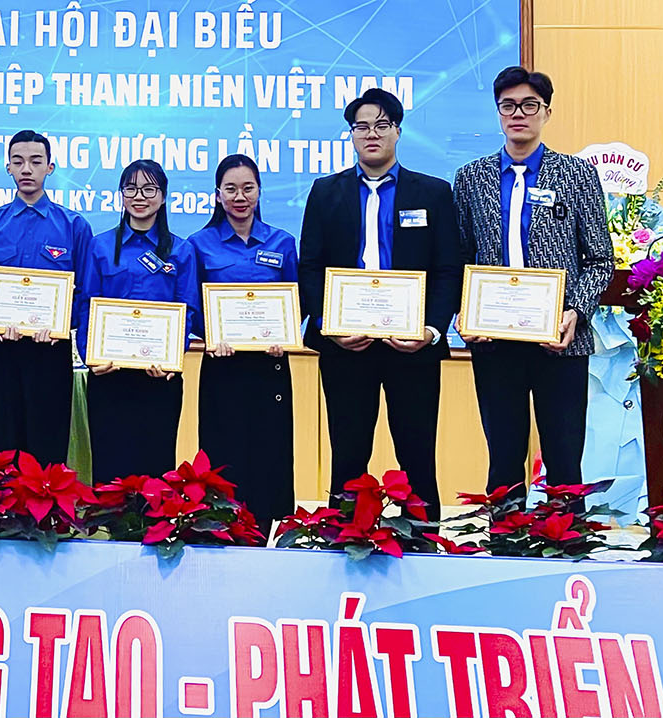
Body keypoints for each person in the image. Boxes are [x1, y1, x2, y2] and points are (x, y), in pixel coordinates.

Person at [299, 88, 461, 521]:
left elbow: (448, 268)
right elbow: (310, 266)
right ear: (352, 135)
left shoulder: (433, 193)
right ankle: (344, 537)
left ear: (398, 131)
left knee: (417, 452)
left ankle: (423, 540)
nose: (371, 134)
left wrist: (431, 330)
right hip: (345, 346)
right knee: (348, 453)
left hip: (412, 347)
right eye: (362, 127)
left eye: (381, 125)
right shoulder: (325, 192)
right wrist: (328, 324)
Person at [453, 67, 613, 497]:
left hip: (559, 339)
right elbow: (460, 257)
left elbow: (600, 259)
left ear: (546, 112)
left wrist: (576, 312)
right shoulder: (471, 178)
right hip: (494, 341)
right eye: (508, 106)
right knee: (503, 458)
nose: (518, 114)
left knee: (564, 458)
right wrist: (464, 311)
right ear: (498, 113)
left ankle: (566, 535)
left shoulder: (577, 174)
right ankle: (506, 535)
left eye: (529, 105)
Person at [0, 130, 93, 464]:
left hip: (52, 350)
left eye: (36, 161)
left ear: (50, 167)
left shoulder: (74, 226)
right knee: (6, 448)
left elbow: (85, 293)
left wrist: (62, 323)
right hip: (4, 349)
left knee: (49, 450)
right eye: (18, 161)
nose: (26, 169)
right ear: (7, 167)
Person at [187, 154, 298, 527]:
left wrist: (285, 333)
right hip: (223, 365)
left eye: (248, 188)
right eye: (230, 189)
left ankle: (266, 534)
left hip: (270, 365)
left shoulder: (282, 242)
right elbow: (191, 305)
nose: (240, 197)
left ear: (259, 192)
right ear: (217, 195)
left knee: (270, 454)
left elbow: (295, 301)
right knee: (224, 455)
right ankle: (221, 533)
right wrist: (210, 335)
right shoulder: (198, 244)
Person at [79, 159, 199, 484]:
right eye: (130, 189)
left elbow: (187, 311)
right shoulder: (100, 246)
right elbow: (87, 305)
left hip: (159, 377)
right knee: (109, 470)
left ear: (163, 196)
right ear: (121, 195)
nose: (139, 196)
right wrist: (91, 357)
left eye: (149, 189)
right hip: (109, 375)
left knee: (156, 468)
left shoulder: (182, 251)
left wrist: (172, 359)